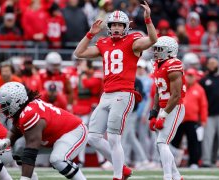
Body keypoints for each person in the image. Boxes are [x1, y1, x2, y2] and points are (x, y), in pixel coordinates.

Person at [73, 1, 158, 179]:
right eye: (113, 25)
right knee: (93, 137)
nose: (117, 28)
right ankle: (123, 169)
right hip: (107, 94)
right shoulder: (103, 42)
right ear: (109, 27)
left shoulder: (132, 41)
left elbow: (152, 40)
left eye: (120, 25)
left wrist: (148, 19)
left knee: (113, 138)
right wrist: (90, 34)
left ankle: (118, 176)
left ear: (126, 27)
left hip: (124, 93)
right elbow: (79, 53)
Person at [0, 82, 87, 180]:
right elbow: (15, 131)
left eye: (6, 104)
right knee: (19, 147)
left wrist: (25, 178)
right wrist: (7, 141)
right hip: (53, 136)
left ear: (17, 101)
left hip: (73, 131)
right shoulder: (23, 109)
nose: (3, 108)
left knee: (57, 159)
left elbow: (31, 151)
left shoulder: (29, 113)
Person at [148, 36, 185, 180]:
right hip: (164, 108)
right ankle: (176, 176)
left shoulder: (173, 65)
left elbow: (175, 96)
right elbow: (158, 92)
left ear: (170, 51)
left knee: (162, 142)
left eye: (159, 49)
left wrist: (162, 115)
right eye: (155, 49)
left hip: (174, 107)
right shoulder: (158, 65)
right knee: (160, 144)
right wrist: (153, 113)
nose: (156, 52)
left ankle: (168, 176)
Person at [172, 68, 208, 169]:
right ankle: (172, 160)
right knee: (174, 141)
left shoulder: (199, 89)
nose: (189, 77)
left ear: (195, 77)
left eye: (191, 75)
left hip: (192, 120)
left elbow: (203, 105)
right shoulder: (180, 87)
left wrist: (204, 119)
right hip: (179, 119)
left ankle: (194, 162)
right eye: (188, 75)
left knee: (193, 142)